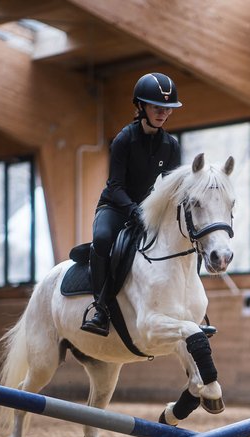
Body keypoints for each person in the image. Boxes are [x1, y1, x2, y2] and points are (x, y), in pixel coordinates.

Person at [81, 72, 182, 336]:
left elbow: (170, 187)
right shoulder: (124, 139)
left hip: (146, 209)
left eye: (167, 109)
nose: (163, 113)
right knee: (102, 239)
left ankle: (188, 306)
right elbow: (115, 187)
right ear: (141, 107)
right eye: (157, 107)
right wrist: (135, 211)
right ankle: (100, 308)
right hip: (115, 207)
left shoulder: (171, 145)